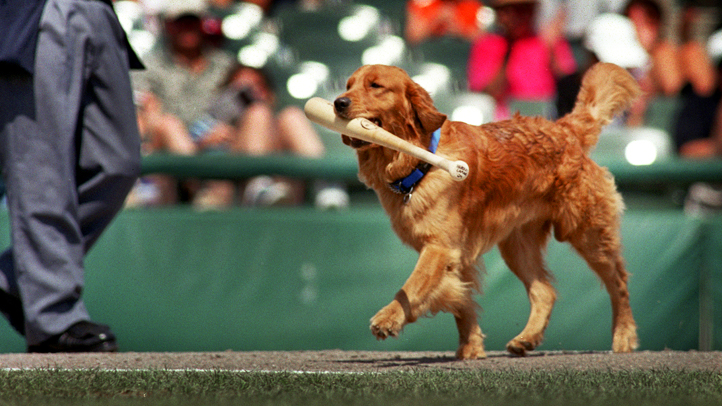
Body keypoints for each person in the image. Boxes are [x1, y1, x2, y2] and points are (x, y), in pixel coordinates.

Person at [0, 0, 142, 352]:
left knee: (117, 164)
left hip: (99, 10)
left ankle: (16, 276)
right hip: (32, 13)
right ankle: (54, 320)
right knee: (42, 174)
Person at [132, 0, 237, 207]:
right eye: (181, 22)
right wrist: (195, 143)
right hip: (169, 149)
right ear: (168, 25)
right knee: (169, 125)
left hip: (219, 146)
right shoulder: (149, 66)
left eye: (193, 22)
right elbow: (144, 116)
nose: (187, 29)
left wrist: (223, 132)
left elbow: (242, 106)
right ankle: (199, 190)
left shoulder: (225, 65)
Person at [466, 0, 577, 119]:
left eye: (523, 9)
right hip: (503, 122)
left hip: (543, 120)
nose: (515, 16)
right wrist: (508, 50)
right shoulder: (487, 44)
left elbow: (570, 88)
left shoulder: (549, 41)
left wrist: (552, 48)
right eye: (508, 10)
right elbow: (486, 96)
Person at [405, 0, 486, 46]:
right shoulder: (423, 3)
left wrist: (454, 24)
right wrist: (438, 17)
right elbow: (412, 37)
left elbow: (481, 40)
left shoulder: (471, 5)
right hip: (429, 54)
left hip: (459, 58)